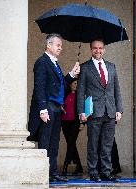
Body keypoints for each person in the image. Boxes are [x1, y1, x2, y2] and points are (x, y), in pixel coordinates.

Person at [28, 33, 80, 182]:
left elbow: (62, 84)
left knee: (54, 141)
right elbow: (39, 87)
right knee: (45, 141)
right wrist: (42, 109)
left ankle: (53, 173)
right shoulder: (42, 62)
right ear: (48, 45)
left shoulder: (54, 63)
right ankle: (43, 173)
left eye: (61, 46)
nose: (60, 48)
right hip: (48, 108)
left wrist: (72, 73)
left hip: (57, 108)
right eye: (58, 45)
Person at [77, 39, 123, 182]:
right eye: (95, 48)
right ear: (91, 49)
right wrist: (81, 111)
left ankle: (106, 171)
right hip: (93, 112)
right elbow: (80, 92)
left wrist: (119, 110)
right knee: (93, 144)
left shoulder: (111, 66)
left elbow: (116, 90)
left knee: (107, 145)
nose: (98, 51)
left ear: (104, 49)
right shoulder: (84, 67)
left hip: (110, 111)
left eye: (101, 48)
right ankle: (93, 172)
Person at [61, 79, 83, 176]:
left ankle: (65, 166)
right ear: (70, 85)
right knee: (71, 144)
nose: (76, 85)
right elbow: (60, 105)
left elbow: (83, 110)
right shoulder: (65, 94)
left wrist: (83, 123)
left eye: (77, 84)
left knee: (70, 144)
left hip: (75, 122)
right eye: (74, 83)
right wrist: (61, 107)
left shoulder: (80, 95)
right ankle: (79, 167)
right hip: (65, 122)